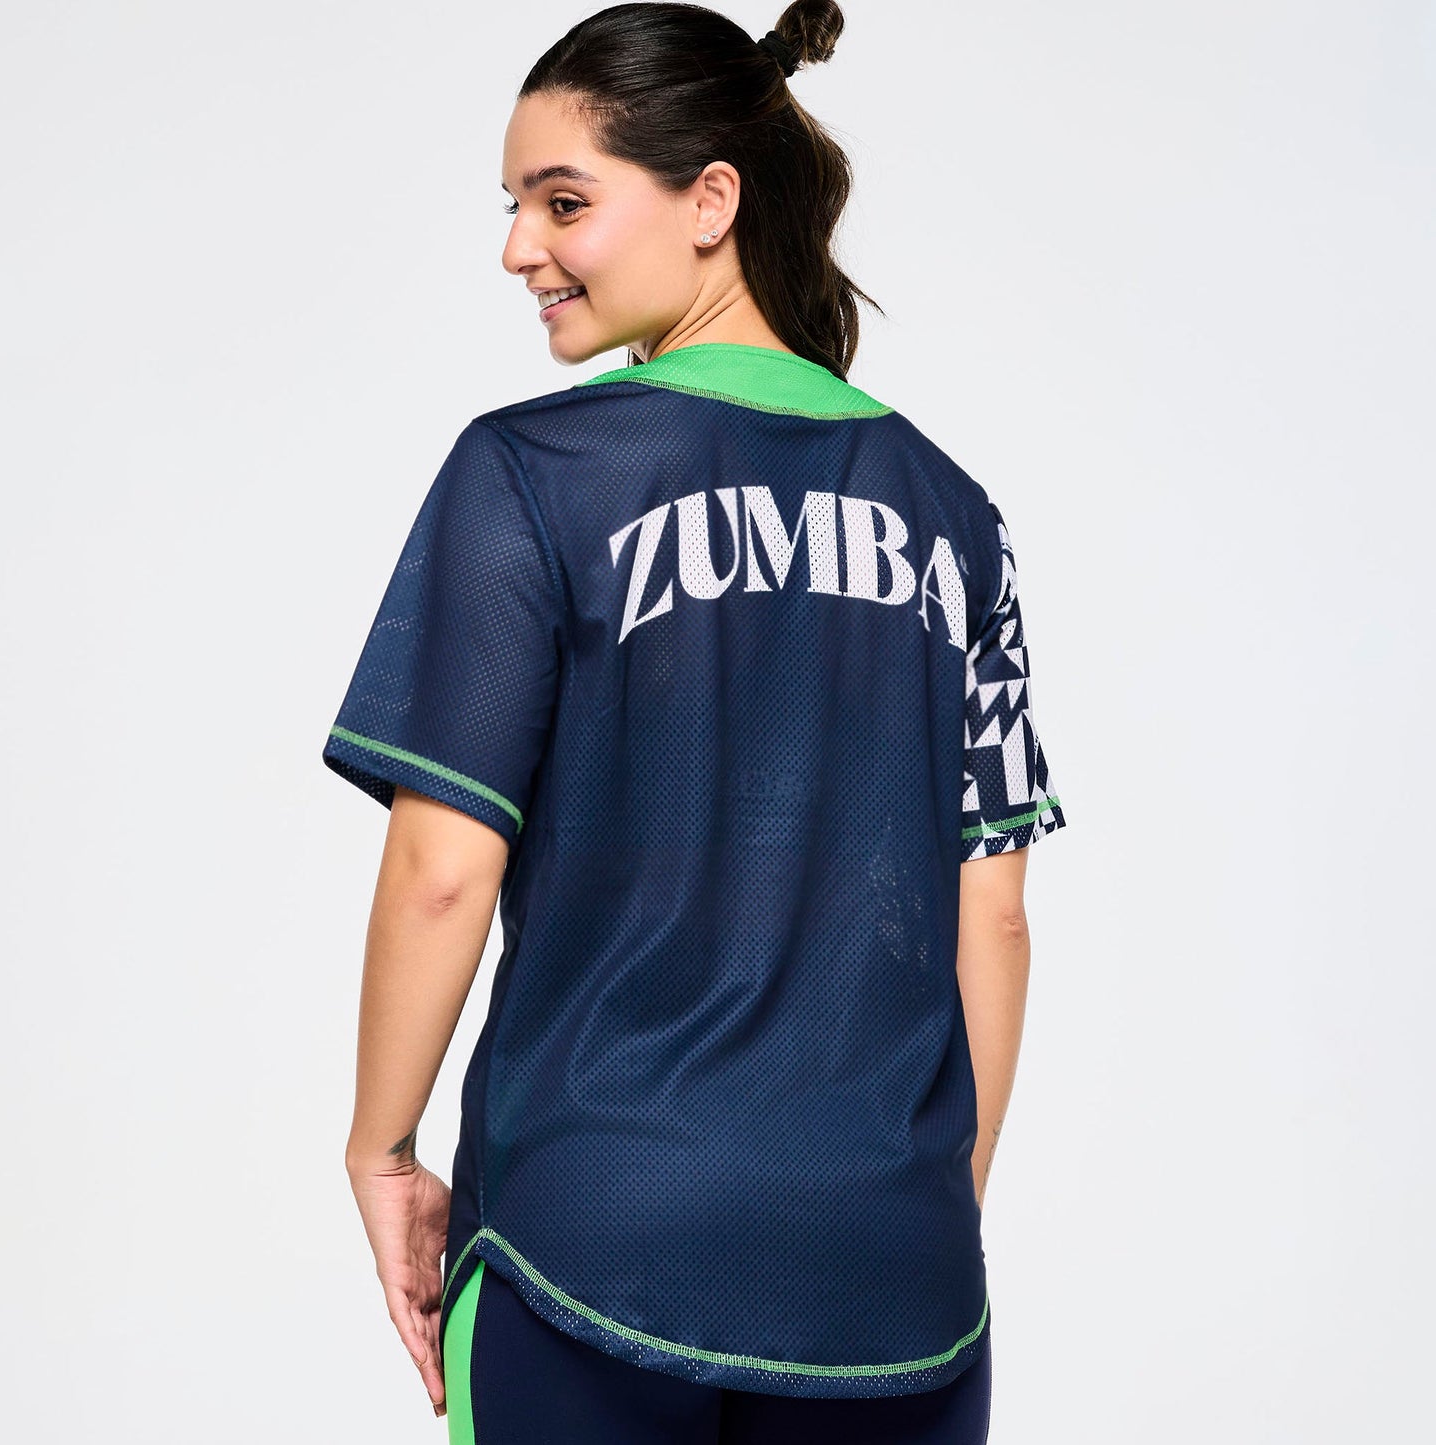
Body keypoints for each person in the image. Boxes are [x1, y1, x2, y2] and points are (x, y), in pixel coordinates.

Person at [322, 2, 1068, 1440]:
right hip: (893, 1272)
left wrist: (382, 1148)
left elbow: (442, 870)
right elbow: (995, 908)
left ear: (711, 201)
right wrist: (926, 1202)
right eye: (513, 205)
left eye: (563, 203)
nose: (518, 248)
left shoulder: (532, 473)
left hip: (587, 1240)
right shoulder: (954, 514)